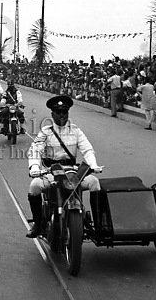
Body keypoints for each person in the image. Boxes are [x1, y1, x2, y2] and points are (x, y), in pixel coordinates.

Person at [26, 95, 103, 239]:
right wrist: (34, 167)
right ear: (52, 114)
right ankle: (38, 223)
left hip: (73, 172)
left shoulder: (76, 131)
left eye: (64, 112)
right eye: (58, 112)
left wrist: (93, 165)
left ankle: (98, 225)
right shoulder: (46, 132)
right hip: (51, 172)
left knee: (94, 183)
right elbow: (35, 150)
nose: (61, 115)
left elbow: (87, 150)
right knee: (35, 186)